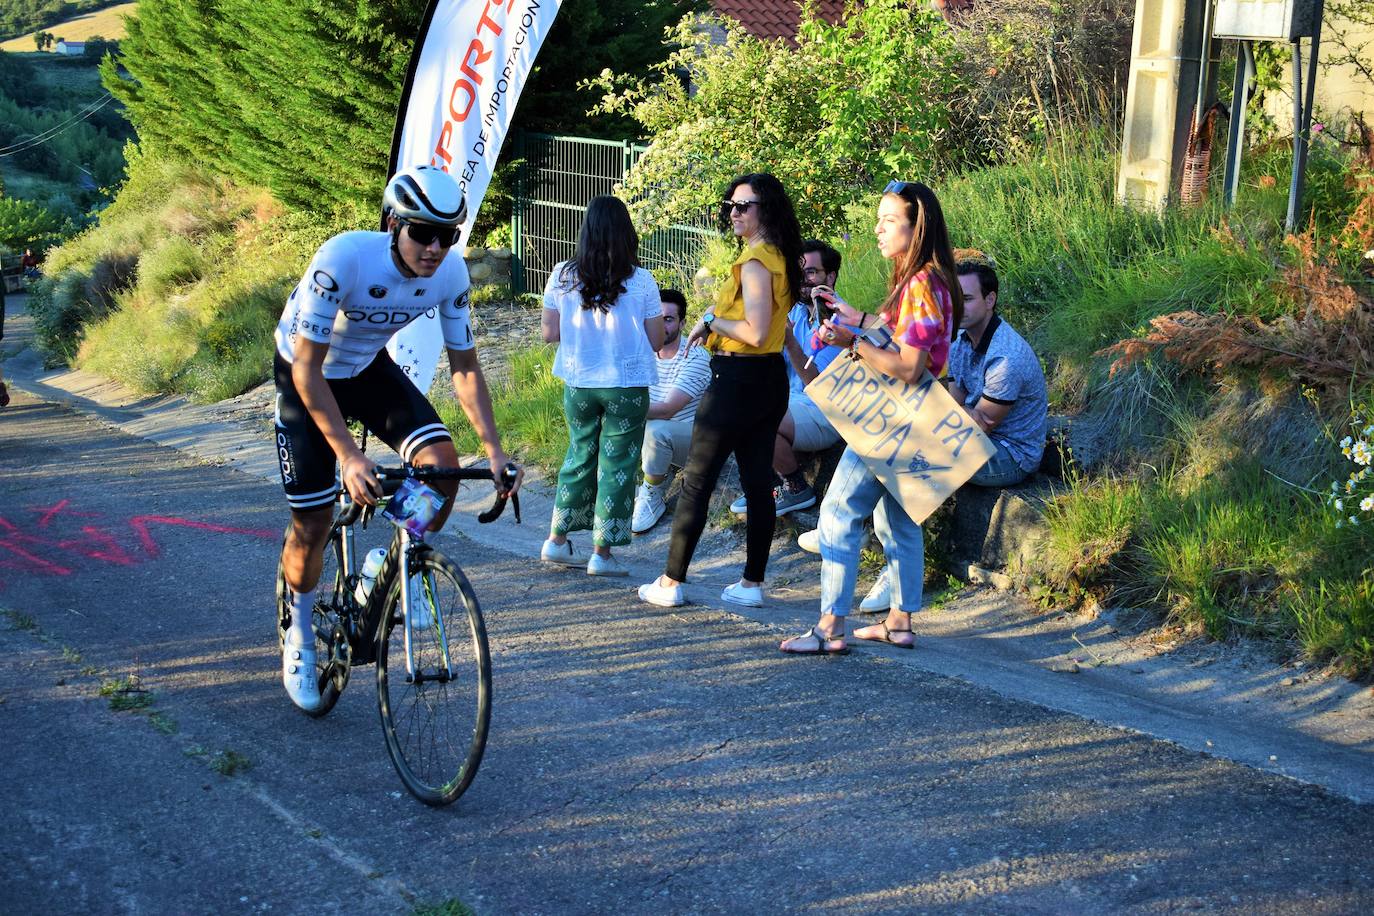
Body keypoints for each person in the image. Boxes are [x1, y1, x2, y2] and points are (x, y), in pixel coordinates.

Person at [273, 165, 522, 712]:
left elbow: (465, 367)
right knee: (311, 523)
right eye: (423, 233)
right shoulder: (343, 259)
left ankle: (382, 567)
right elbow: (308, 372)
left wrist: (496, 451)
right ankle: (300, 635)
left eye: (448, 235)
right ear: (392, 223)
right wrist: (349, 455)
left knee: (441, 470)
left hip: (365, 371)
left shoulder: (450, 273)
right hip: (305, 375)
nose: (435, 247)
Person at [780, 179, 962, 654]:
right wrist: (858, 318)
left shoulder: (920, 283)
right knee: (897, 520)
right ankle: (899, 622)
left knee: (838, 512)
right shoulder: (923, 279)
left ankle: (828, 629)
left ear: (915, 227)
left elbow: (908, 365)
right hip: (916, 417)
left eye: (888, 221)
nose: (877, 229)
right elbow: (907, 341)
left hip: (892, 419)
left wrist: (852, 342)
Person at [637, 172, 802, 609]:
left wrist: (712, 322)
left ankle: (671, 583)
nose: (732, 212)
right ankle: (751, 584)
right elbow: (769, 329)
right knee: (757, 481)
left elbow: (755, 329)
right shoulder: (781, 257)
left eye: (742, 205)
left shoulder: (755, 262)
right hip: (769, 380)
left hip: (736, 380)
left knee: (697, 483)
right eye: (730, 204)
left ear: (764, 209)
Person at [539, 195, 665, 576]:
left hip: (579, 383)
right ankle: (601, 554)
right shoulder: (641, 280)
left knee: (579, 455)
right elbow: (658, 341)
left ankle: (557, 541)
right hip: (626, 385)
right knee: (618, 465)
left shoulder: (562, 274)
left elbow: (549, 333)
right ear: (626, 233)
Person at [728, 239, 865, 517]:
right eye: (798, 272)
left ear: (831, 276)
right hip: (792, 404)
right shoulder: (796, 312)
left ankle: (795, 487)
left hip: (825, 412)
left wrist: (789, 341)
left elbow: (818, 385)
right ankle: (768, 485)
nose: (803, 279)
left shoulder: (841, 322)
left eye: (812, 272)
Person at [948, 250, 1048, 487]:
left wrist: (932, 412)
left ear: (990, 300)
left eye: (967, 299)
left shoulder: (1006, 358)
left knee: (922, 455)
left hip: (1011, 453)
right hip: (975, 432)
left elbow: (980, 424)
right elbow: (954, 400)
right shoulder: (960, 338)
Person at [631, 289, 712, 534]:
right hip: (657, 434)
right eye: (657, 318)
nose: (661, 325)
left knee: (656, 429)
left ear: (683, 322)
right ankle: (618, 487)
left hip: (693, 439)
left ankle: (652, 495)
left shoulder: (695, 355)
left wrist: (621, 410)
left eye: (669, 319)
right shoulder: (642, 352)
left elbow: (667, 410)